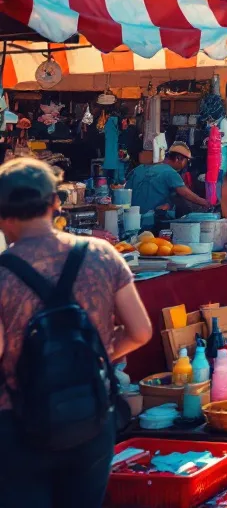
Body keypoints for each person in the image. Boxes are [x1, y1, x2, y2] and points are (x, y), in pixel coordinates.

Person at [0, 158, 152, 507]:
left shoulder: (3, 274)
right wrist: (87, 357)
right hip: (89, 415)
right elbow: (140, 331)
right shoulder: (101, 254)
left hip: (19, 423)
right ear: (56, 203)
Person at [128, 141, 212, 229]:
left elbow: (126, 192)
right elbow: (185, 193)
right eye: (187, 162)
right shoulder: (170, 173)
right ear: (178, 158)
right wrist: (205, 203)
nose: (186, 165)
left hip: (131, 221)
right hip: (151, 223)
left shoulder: (138, 169)